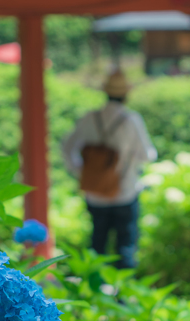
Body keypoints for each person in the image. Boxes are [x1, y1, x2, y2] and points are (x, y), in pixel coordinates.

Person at [62, 69, 156, 268]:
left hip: (95, 194)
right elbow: (147, 155)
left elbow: (67, 147)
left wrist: (81, 172)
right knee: (126, 248)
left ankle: (95, 292)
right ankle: (123, 296)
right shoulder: (131, 120)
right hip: (125, 192)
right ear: (126, 94)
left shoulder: (90, 118)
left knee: (97, 246)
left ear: (105, 92)